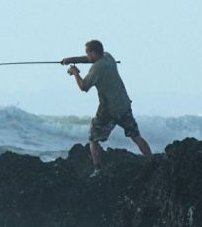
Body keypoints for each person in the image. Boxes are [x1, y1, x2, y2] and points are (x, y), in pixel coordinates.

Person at [61, 40, 152, 176]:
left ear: (93, 52)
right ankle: (151, 161)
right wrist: (72, 60)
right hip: (124, 105)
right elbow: (89, 60)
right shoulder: (108, 57)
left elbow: (83, 86)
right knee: (136, 136)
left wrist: (74, 72)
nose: (87, 56)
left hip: (108, 110)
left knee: (93, 139)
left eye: (87, 53)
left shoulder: (97, 68)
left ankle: (98, 170)